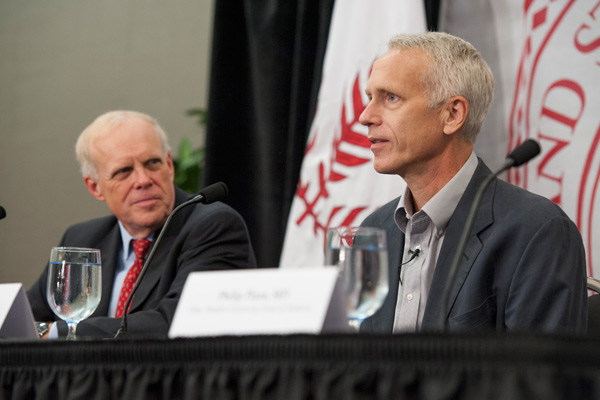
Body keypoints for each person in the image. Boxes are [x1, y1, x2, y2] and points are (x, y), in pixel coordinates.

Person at [358, 32, 587, 334]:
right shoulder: (374, 231)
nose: (365, 116)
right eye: (369, 98)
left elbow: (537, 379)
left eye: (390, 98)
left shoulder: (537, 233)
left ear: (452, 115)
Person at [28, 110, 257, 339]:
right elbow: (24, 318)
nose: (143, 180)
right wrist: (40, 329)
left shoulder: (213, 227)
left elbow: (179, 322)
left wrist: (60, 331)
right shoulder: (82, 239)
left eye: (153, 163)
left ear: (169, 165)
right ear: (95, 187)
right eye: (124, 171)